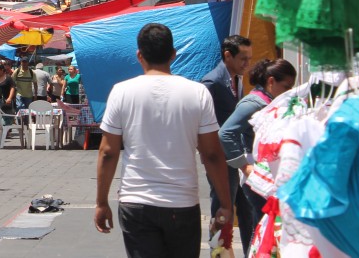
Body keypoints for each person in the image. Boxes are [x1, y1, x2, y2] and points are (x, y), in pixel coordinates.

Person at [94, 23, 233, 258]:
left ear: (139, 55)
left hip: (136, 202)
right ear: (173, 54)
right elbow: (211, 154)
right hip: (182, 204)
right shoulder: (197, 92)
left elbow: (108, 152)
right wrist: (226, 203)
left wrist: (101, 202)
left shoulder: (121, 92)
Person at [219, 58, 296, 245]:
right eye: (286, 87)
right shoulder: (254, 104)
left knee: (261, 229)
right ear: (271, 81)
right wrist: (244, 167)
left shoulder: (268, 101)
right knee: (263, 229)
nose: (289, 93)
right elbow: (225, 133)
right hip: (257, 175)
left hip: (263, 174)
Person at [201, 34, 255, 256]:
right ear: (227, 56)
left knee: (247, 209)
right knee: (223, 209)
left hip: (239, 156)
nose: (247, 64)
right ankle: (219, 253)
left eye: (249, 58)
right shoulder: (212, 82)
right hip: (221, 160)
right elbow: (202, 123)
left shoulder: (237, 79)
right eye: (243, 58)